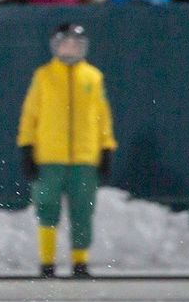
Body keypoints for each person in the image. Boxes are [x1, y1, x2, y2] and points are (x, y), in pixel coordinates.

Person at [18, 23, 116, 279]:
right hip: (49, 155)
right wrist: (27, 146)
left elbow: (102, 115)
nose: (70, 49)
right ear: (55, 46)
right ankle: (47, 262)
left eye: (75, 44)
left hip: (85, 157)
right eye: (65, 43)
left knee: (83, 209)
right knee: (46, 207)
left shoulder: (93, 77)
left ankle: (80, 261)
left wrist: (106, 148)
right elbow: (31, 114)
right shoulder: (44, 76)